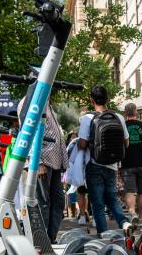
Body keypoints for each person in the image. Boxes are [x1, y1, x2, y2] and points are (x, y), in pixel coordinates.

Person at [78, 85, 132, 235]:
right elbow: (126, 143)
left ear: (91, 100)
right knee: (113, 199)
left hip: (94, 164)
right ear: (108, 99)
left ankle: (103, 236)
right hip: (113, 166)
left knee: (98, 204)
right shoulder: (119, 117)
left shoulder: (87, 118)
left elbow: (82, 144)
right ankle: (125, 223)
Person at [18, 100, 68, 243]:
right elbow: (28, 130)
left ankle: (50, 239)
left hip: (54, 161)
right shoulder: (31, 99)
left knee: (57, 202)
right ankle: (41, 241)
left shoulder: (46, 100)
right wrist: (37, 162)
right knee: (42, 203)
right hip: (41, 159)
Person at [121, 102, 142, 225]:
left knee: (129, 190)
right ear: (137, 113)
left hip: (127, 163)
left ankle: (132, 212)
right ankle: (141, 218)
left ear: (125, 114)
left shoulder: (122, 126)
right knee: (141, 191)